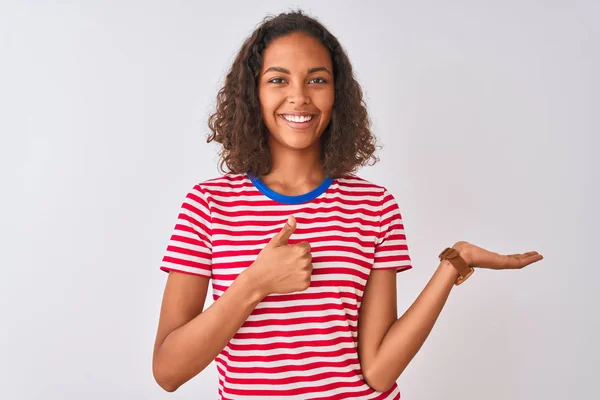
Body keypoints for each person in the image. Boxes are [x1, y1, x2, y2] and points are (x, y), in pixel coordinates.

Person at [152, 9, 543, 399]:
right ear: (253, 93)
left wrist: (454, 262)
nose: (300, 96)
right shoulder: (208, 205)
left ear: (337, 92)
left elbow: (377, 371)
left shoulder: (374, 206)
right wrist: (255, 283)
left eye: (317, 79)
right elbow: (168, 372)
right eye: (278, 79)